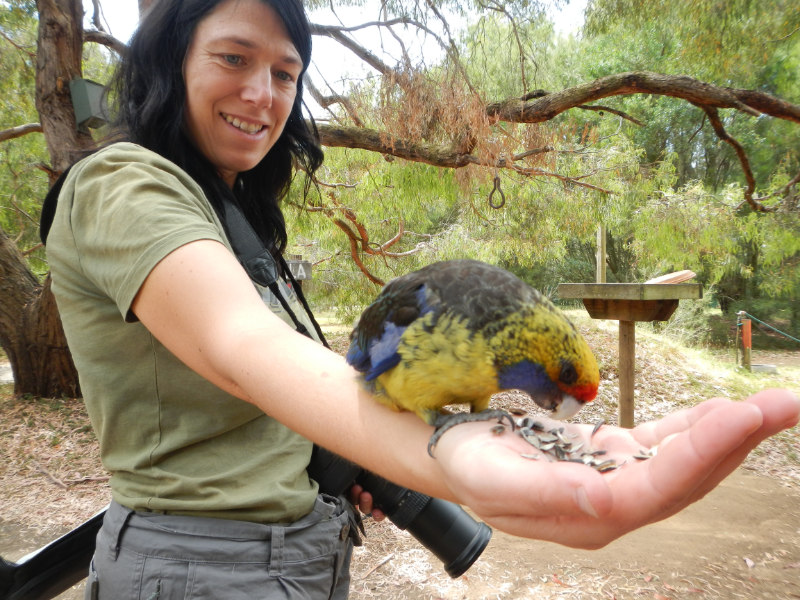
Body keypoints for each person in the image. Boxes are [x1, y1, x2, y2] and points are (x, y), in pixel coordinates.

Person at [43, 0, 799, 598]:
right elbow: (241, 347)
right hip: (199, 565)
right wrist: (442, 451)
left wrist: (359, 459)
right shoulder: (125, 184)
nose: (261, 93)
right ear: (170, 59)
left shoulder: (228, 206)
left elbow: (268, 401)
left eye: (285, 71)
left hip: (295, 551)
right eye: (234, 58)